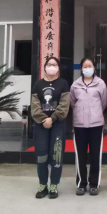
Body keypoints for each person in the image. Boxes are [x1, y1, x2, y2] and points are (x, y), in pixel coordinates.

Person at [31, 57, 70, 199]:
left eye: (54, 65)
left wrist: (52, 118)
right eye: (49, 64)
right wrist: (44, 119)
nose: (51, 67)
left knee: (56, 155)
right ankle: (42, 185)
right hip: (41, 125)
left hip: (57, 124)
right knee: (41, 156)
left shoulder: (63, 84)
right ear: (44, 67)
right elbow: (35, 106)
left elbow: (64, 105)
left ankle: (54, 185)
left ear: (58, 68)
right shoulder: (38, 84)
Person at [70, 57, 107, 196]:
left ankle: (94, 184)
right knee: (80, 155)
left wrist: (95, 113)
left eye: (89, 66)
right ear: (81, 68)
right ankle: (81, 183)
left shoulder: (100, 84)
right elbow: (73, 102)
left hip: (96, 125)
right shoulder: (75, 85)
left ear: (94, 67)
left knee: (95, 155)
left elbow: (104, 102)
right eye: (85, 66)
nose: (87, 69)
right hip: (79, 125)